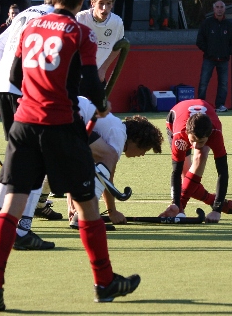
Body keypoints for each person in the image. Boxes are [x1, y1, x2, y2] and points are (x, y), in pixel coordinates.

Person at [0, 0, 141, 312]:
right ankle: (104, 281)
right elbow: (90, 83)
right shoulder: (80, 32)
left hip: (24, 124)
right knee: (87, 205)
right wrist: (100, 105)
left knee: (11, 205)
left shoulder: (29, 26)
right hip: (61, 126)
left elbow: (16, 76)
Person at [0, 0, 61, 248]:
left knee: (16, 155)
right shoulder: (55, 20)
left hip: (1, 84)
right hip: (26, 90)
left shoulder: (26, 13)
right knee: (38, 157)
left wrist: (8, 74)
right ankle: (23, 228)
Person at [69, 96, 163, 227]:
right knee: (108, 157)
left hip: (61, 114)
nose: (142, 155)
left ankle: (42, 203)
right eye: (145, 150)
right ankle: (85, 215)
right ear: (137, 140)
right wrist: (112, 212)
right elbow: (107, 180)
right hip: (69, 115)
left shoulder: (114, 128)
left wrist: (72, 206)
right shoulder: (119, 135)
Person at [158, 99, 232, 224]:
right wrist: (175, 203)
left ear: (209, 136)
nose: (195, 146)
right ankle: (203, 201)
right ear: (187, 133)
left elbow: (223, 172)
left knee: (200, 157)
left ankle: (182, 206)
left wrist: (217, 210)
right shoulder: (180, 135)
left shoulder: (215, 134)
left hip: (206, 120)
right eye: (192, 141)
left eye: (201, 141)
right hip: (175, 118)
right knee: (185, 175)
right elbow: (176, 172)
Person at [76, 0, 124, 81]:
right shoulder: (80, 18)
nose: (104, 8)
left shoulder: (117, 22)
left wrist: (103, 69)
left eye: (108, 3)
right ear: (93, 3)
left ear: (112, 4)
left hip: (98, 76)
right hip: (77, 76)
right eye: (101, 3)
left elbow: (118, 47)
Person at [196, 1, 232, 113]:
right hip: (209, 59)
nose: (219, 9)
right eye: (217, 7)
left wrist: (227, 52)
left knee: (223, 84)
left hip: (223, 60)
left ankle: (220, 105)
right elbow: (199, 40)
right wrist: (209, 51)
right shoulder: (207, 23)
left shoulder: (228, 25)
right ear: (214, 9)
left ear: (224, 9)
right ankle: (200, 105)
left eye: (221, 7)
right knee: (204, 82)